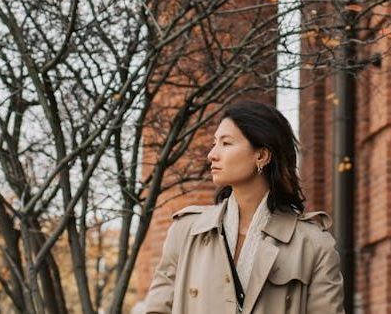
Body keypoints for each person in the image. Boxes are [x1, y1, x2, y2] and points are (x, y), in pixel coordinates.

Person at [144, 101, 345, 313]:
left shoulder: (313, 244)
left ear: (261, 155)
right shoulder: (186, 231)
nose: (212, 154)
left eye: (226, 143)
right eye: (215, 142)